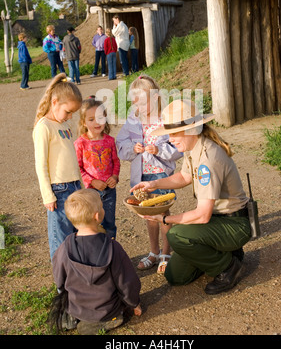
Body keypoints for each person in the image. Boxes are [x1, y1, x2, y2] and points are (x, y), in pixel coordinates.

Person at [131, 99, 252, 295]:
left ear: (190, 130)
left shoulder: (208, 158)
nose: (170, 139)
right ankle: (223, 252)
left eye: (174, 133)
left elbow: (202, 216)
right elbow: (185, 176)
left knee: (176, 234)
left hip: (233, 224)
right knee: (175, 276)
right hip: (216, 221)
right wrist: (153, 184)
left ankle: (228, 268)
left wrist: (164, 219)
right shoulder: (192, 147)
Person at [50, 188, 142, 335]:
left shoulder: (64, 248)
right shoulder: (113, 248)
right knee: (117, 308)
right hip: (107, 308)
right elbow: (126, 281)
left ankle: (76, 317)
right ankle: (106, 320)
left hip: (76, 306)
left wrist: (64, 295)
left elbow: (59, 277)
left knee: (74, 303)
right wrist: (134, 303)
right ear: (98, 216)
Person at [116, 75, 182, 274]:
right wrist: (132, 148)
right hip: (142, 175)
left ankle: (166, 253)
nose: (139, 106)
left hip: (161, 174)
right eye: (135, 102)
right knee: (148, 214)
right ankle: (153, 252)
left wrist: (159, 150)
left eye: (143, 102)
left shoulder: (165, 119)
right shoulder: (133, 120)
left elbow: (178, 147)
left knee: (162, 212)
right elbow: (121, 143)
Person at [32, 73, 83, 260]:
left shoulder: (65, 124)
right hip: (58, 190)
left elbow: (71, 157)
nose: (70, 116)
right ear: (55, 102)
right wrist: (48, 195)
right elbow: (41, 165)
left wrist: (80, 184)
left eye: (72, 113)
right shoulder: (43, 127)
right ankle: (62, 283)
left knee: (76, 235)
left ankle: (75, 275)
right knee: (60, 238)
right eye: (68, 111)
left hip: (74, 186)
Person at [75, 97, 120, 239]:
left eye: (100, 117)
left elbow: (116, 162)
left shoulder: (110, 141)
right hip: (90, 193)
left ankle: (111, 251)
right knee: (91, 224)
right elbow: (78, 167)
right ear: (83, 122)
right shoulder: (80, 143)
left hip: (109, 191)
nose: (97, 122)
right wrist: (92, 181)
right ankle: (95, 253)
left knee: (109, 223)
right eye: (91, 119)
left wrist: (114, 177)